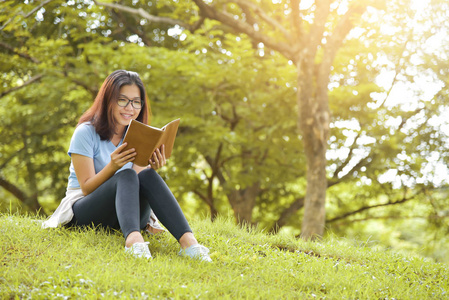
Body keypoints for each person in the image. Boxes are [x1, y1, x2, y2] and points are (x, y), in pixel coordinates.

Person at [42, 70, 212, 262]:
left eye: (136, 102)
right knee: (125, 175)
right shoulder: (85, 132)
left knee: (146, 176)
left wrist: (150, 166)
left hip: (124, 215)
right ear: (109, 101)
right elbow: (86, 188)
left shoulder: (136, 134)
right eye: (122, 100)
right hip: (85, 211)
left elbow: (135, 181)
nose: (130, 108)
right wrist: (113, 166)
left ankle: (189, 244)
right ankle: (133, 241)